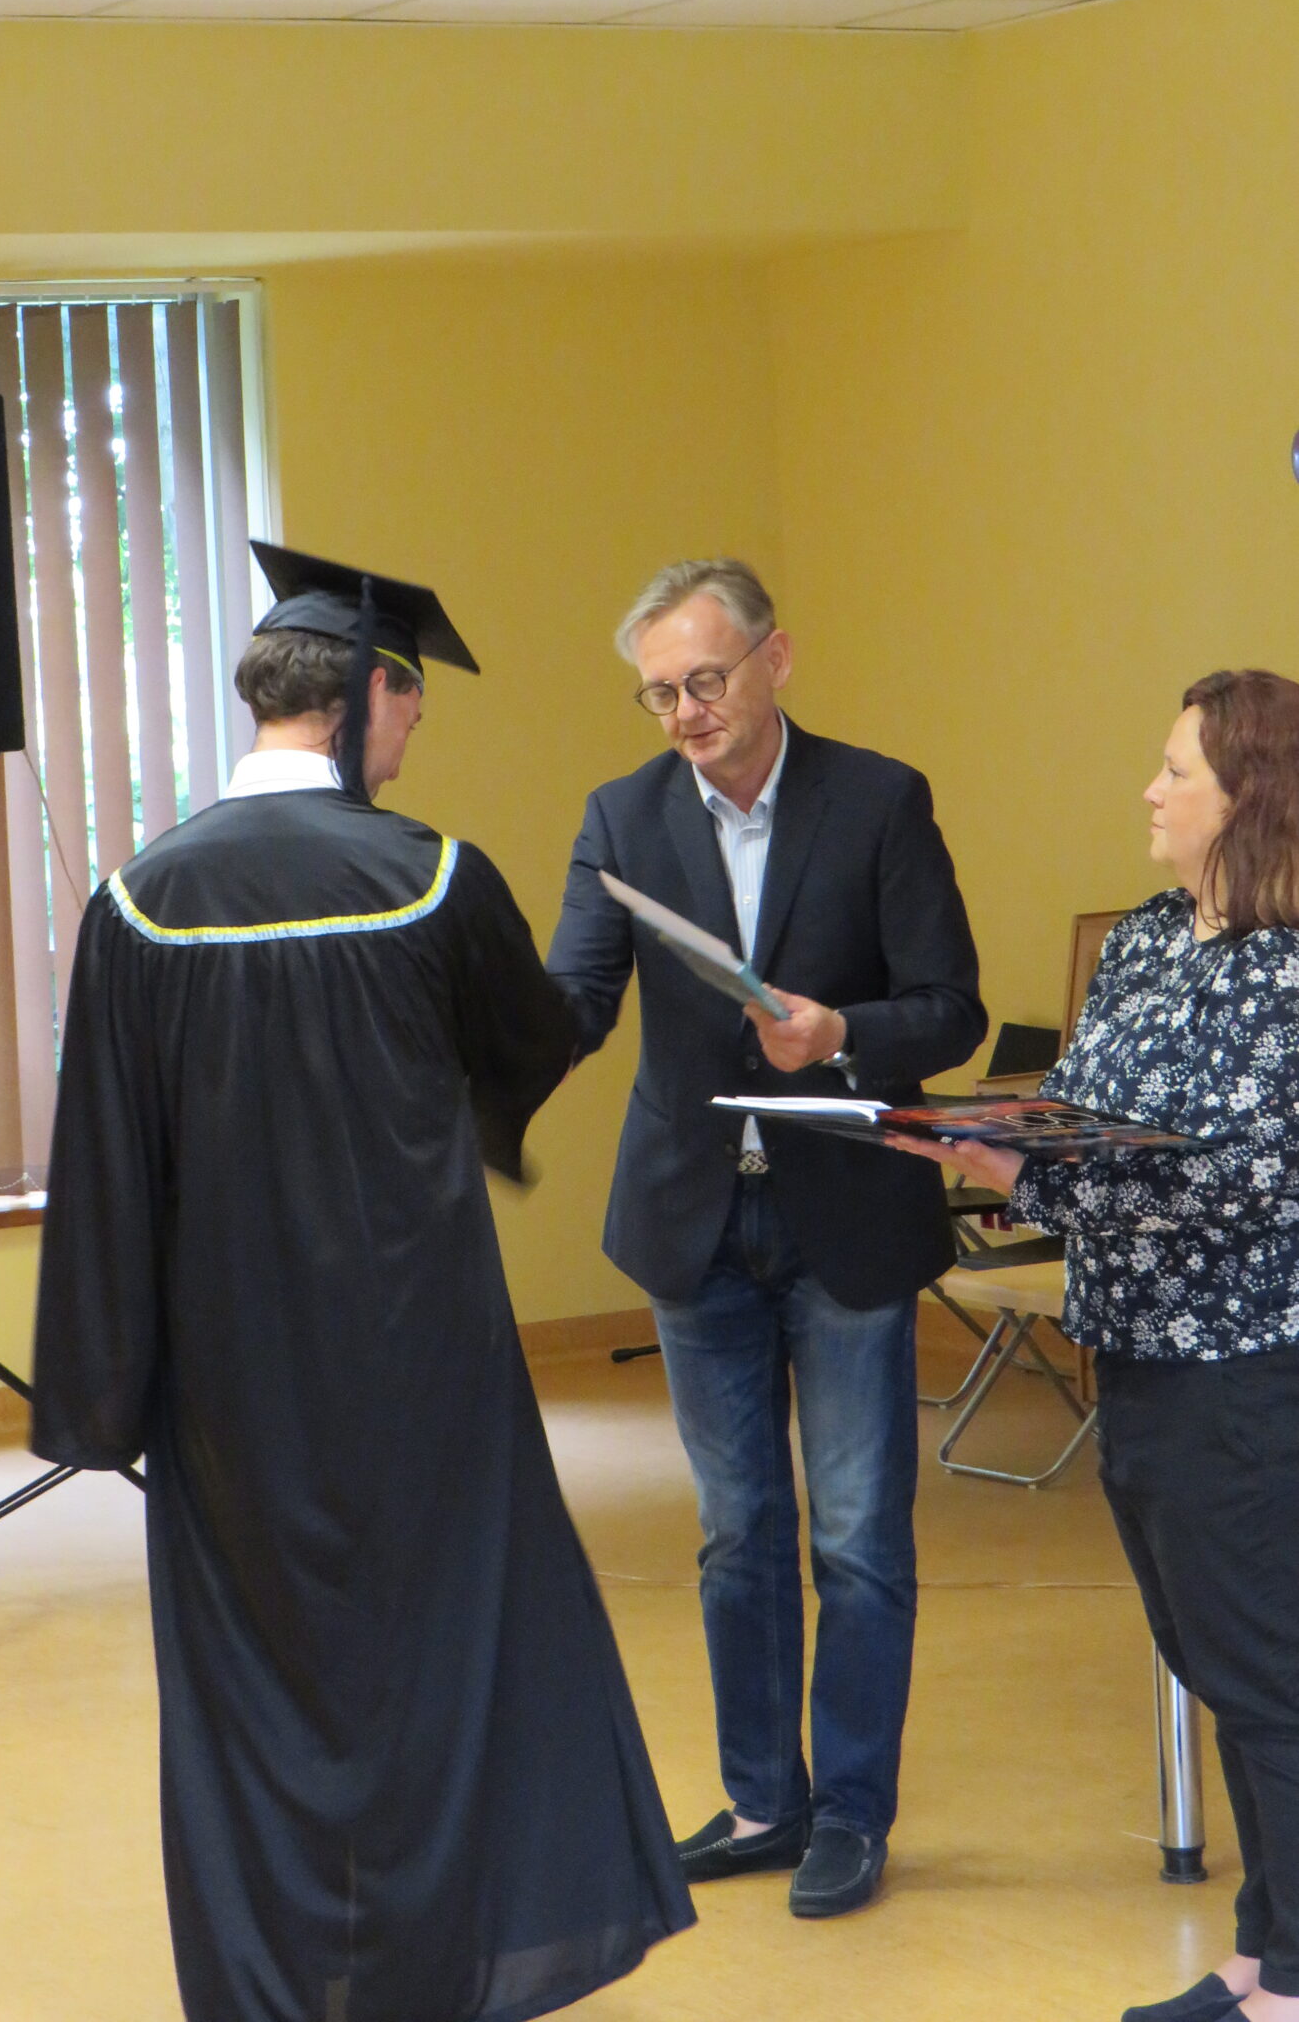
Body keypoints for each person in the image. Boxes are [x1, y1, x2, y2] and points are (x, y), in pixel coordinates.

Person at [30, 541, 694, 2022]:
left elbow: (108, 1164)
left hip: (229, 1391)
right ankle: (429, 1969)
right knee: (439, 1664)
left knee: (253, 1687)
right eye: (411, 706)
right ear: (363, 699)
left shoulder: (137, 901)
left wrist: (105, 1394)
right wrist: (590, 978)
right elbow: (525, 1045)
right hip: (421, 1366)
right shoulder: (433, 879)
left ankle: (273, 1987)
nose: (411, 736)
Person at [547, 557, 985, 1920]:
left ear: (774, 660)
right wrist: (465, 1038)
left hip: (844, 1213)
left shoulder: (879, 799)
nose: (684, 711)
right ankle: (761, 1801)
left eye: (704, 680)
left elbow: (951, 1007)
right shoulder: (621, 815)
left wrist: (841, 1032)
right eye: (658, 692)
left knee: (855, 1536)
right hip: (692, 1220)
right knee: (736, 1532)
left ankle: (850, 1811)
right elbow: (573, 997)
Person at [893, 670, 1299, 2022]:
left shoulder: (1289, 965)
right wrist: (990, 1140)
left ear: (1250, 795)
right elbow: (1076, 1104)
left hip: (1245, 1359)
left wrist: (1034, 1177)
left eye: (1176, 770)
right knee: (1212, 1657)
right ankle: (1263, 1953)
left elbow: (1244, 1173)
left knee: (1268, 1670)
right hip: (1128, 1344)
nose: (1149, 790)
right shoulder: (1145, 938)